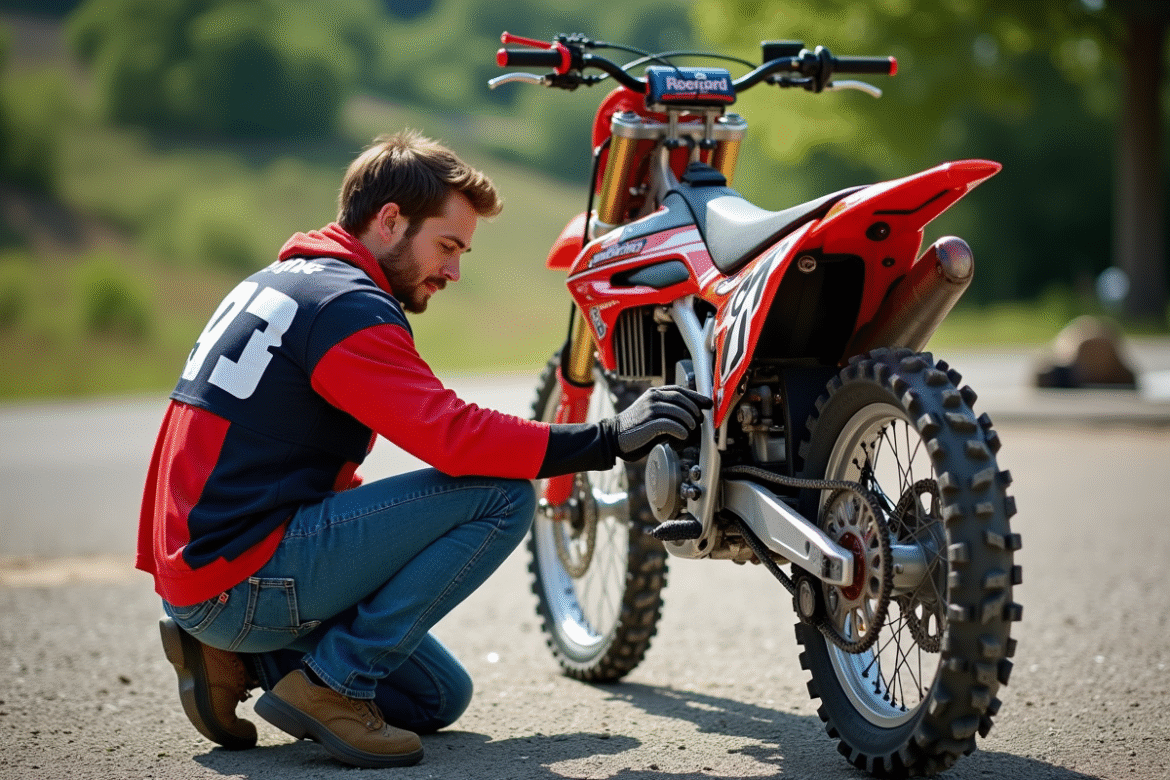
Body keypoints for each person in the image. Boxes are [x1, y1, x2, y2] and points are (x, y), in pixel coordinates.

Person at [138, 130, 710, 768]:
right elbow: (453, 437)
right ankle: (329, 685)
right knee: (500, 497)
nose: (454, 271)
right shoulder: (344, 307)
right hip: (238, 575)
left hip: (202, 572)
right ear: (389, 221)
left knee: (437, 698)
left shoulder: (284, 283)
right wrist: (608, 437)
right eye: (447, 246)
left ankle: (233, 653)